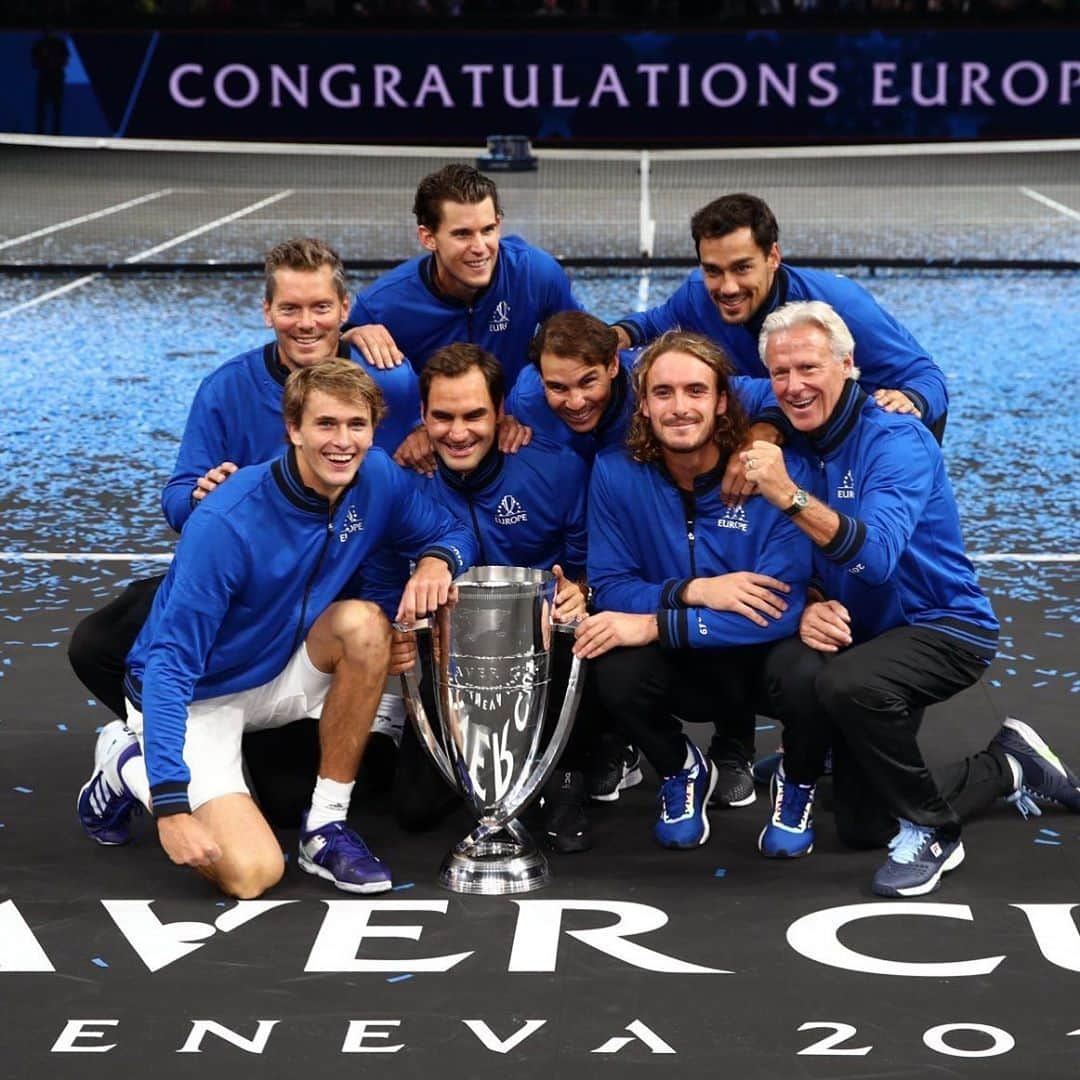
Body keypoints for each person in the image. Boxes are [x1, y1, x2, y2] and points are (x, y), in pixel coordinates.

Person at [76, 359, 477, 899]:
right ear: (293, 430)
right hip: (201, 696)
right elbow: (169, 667)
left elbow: (452, 531)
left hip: (280, 668)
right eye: (325, 425)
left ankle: (325, 829)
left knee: (365, 626)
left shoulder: (376, 477)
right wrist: (169, 806)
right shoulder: (227, 521)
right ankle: (126, 761)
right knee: (252, 874)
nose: (343, 442)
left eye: (356, 425)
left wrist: (436, 561)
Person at [68, 239, 419, 812]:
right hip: (246, 587)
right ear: (267, 313)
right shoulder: (226, 390)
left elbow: (400, 486)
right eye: (290, 309)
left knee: (309, 801)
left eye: (321, 308)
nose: (306, 323)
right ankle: (147, 744)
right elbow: (178, 497)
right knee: (97, 645)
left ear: (346, 308)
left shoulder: (391, 383)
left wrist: (422, 569)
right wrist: (199, 499)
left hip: (335, 600)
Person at [746, 300, 1079, 896]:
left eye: (809, 368)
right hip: (863, 635)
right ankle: (1008, 764)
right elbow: (704, 384)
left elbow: (874, 560)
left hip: (943, 628)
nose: (793, 386)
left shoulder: (896, 440)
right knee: (861, 825)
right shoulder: (791, 432)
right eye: (780, 373)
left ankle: (936, 828)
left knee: (849, 685)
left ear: (849, 365)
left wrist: (788, 494)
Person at [573, 331, 814, 848]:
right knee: (610, 659)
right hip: (681, 660)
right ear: (644, 405)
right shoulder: (615, 474)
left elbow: (777, 607)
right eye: (663, 393)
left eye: (695, 391)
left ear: (721, 401)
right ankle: (680, 766)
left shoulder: (769, 476)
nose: (679, 407)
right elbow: (612, 587)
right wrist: (696, 591)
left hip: (753, 660)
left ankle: (798, 783)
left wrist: (657, 621)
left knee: (809, 667)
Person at [376, 343, 602, 852]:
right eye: (442, 417)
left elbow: (592, 568)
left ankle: (571, 767)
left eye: (474, 415)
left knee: (587, 626)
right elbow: (384, 577)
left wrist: (578, 591)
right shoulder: (405, 478)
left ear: (502, 413)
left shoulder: (556, 468)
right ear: (422, 417)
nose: (458, 433)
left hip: (541, 649)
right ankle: (481, 776)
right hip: (450, 658)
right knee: (414, 811)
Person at [611, 193, 949, 442]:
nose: (727, 287)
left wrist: (911, 403)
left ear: (773, 256)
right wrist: (611, 338)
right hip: (794, 428)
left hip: (862, 440)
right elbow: (653, 324)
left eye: (742, 268)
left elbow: (927, 377)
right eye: (713, 270)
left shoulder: (841, 308)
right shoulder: (697, 294)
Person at [344, 164, 582, 469]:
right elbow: (327, 376)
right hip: (440, 434)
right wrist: (348, 336)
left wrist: (513, 415)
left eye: (488, 230)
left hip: (515, 426)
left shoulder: (535, 274)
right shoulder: (383, 305)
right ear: (428, 238)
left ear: (499, 224)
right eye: (462, 235)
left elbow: (582, 348)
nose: (480, 248)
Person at [31, 28, 68, 135]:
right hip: (44, 77)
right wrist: (43, 65)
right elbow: (34, 60)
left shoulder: (59, 44)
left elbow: (65, 59)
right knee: (41, 106)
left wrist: (56, 65)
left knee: (57, 107)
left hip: (56, 77)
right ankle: (39, 132)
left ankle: (56, 133)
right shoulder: (40, 44)